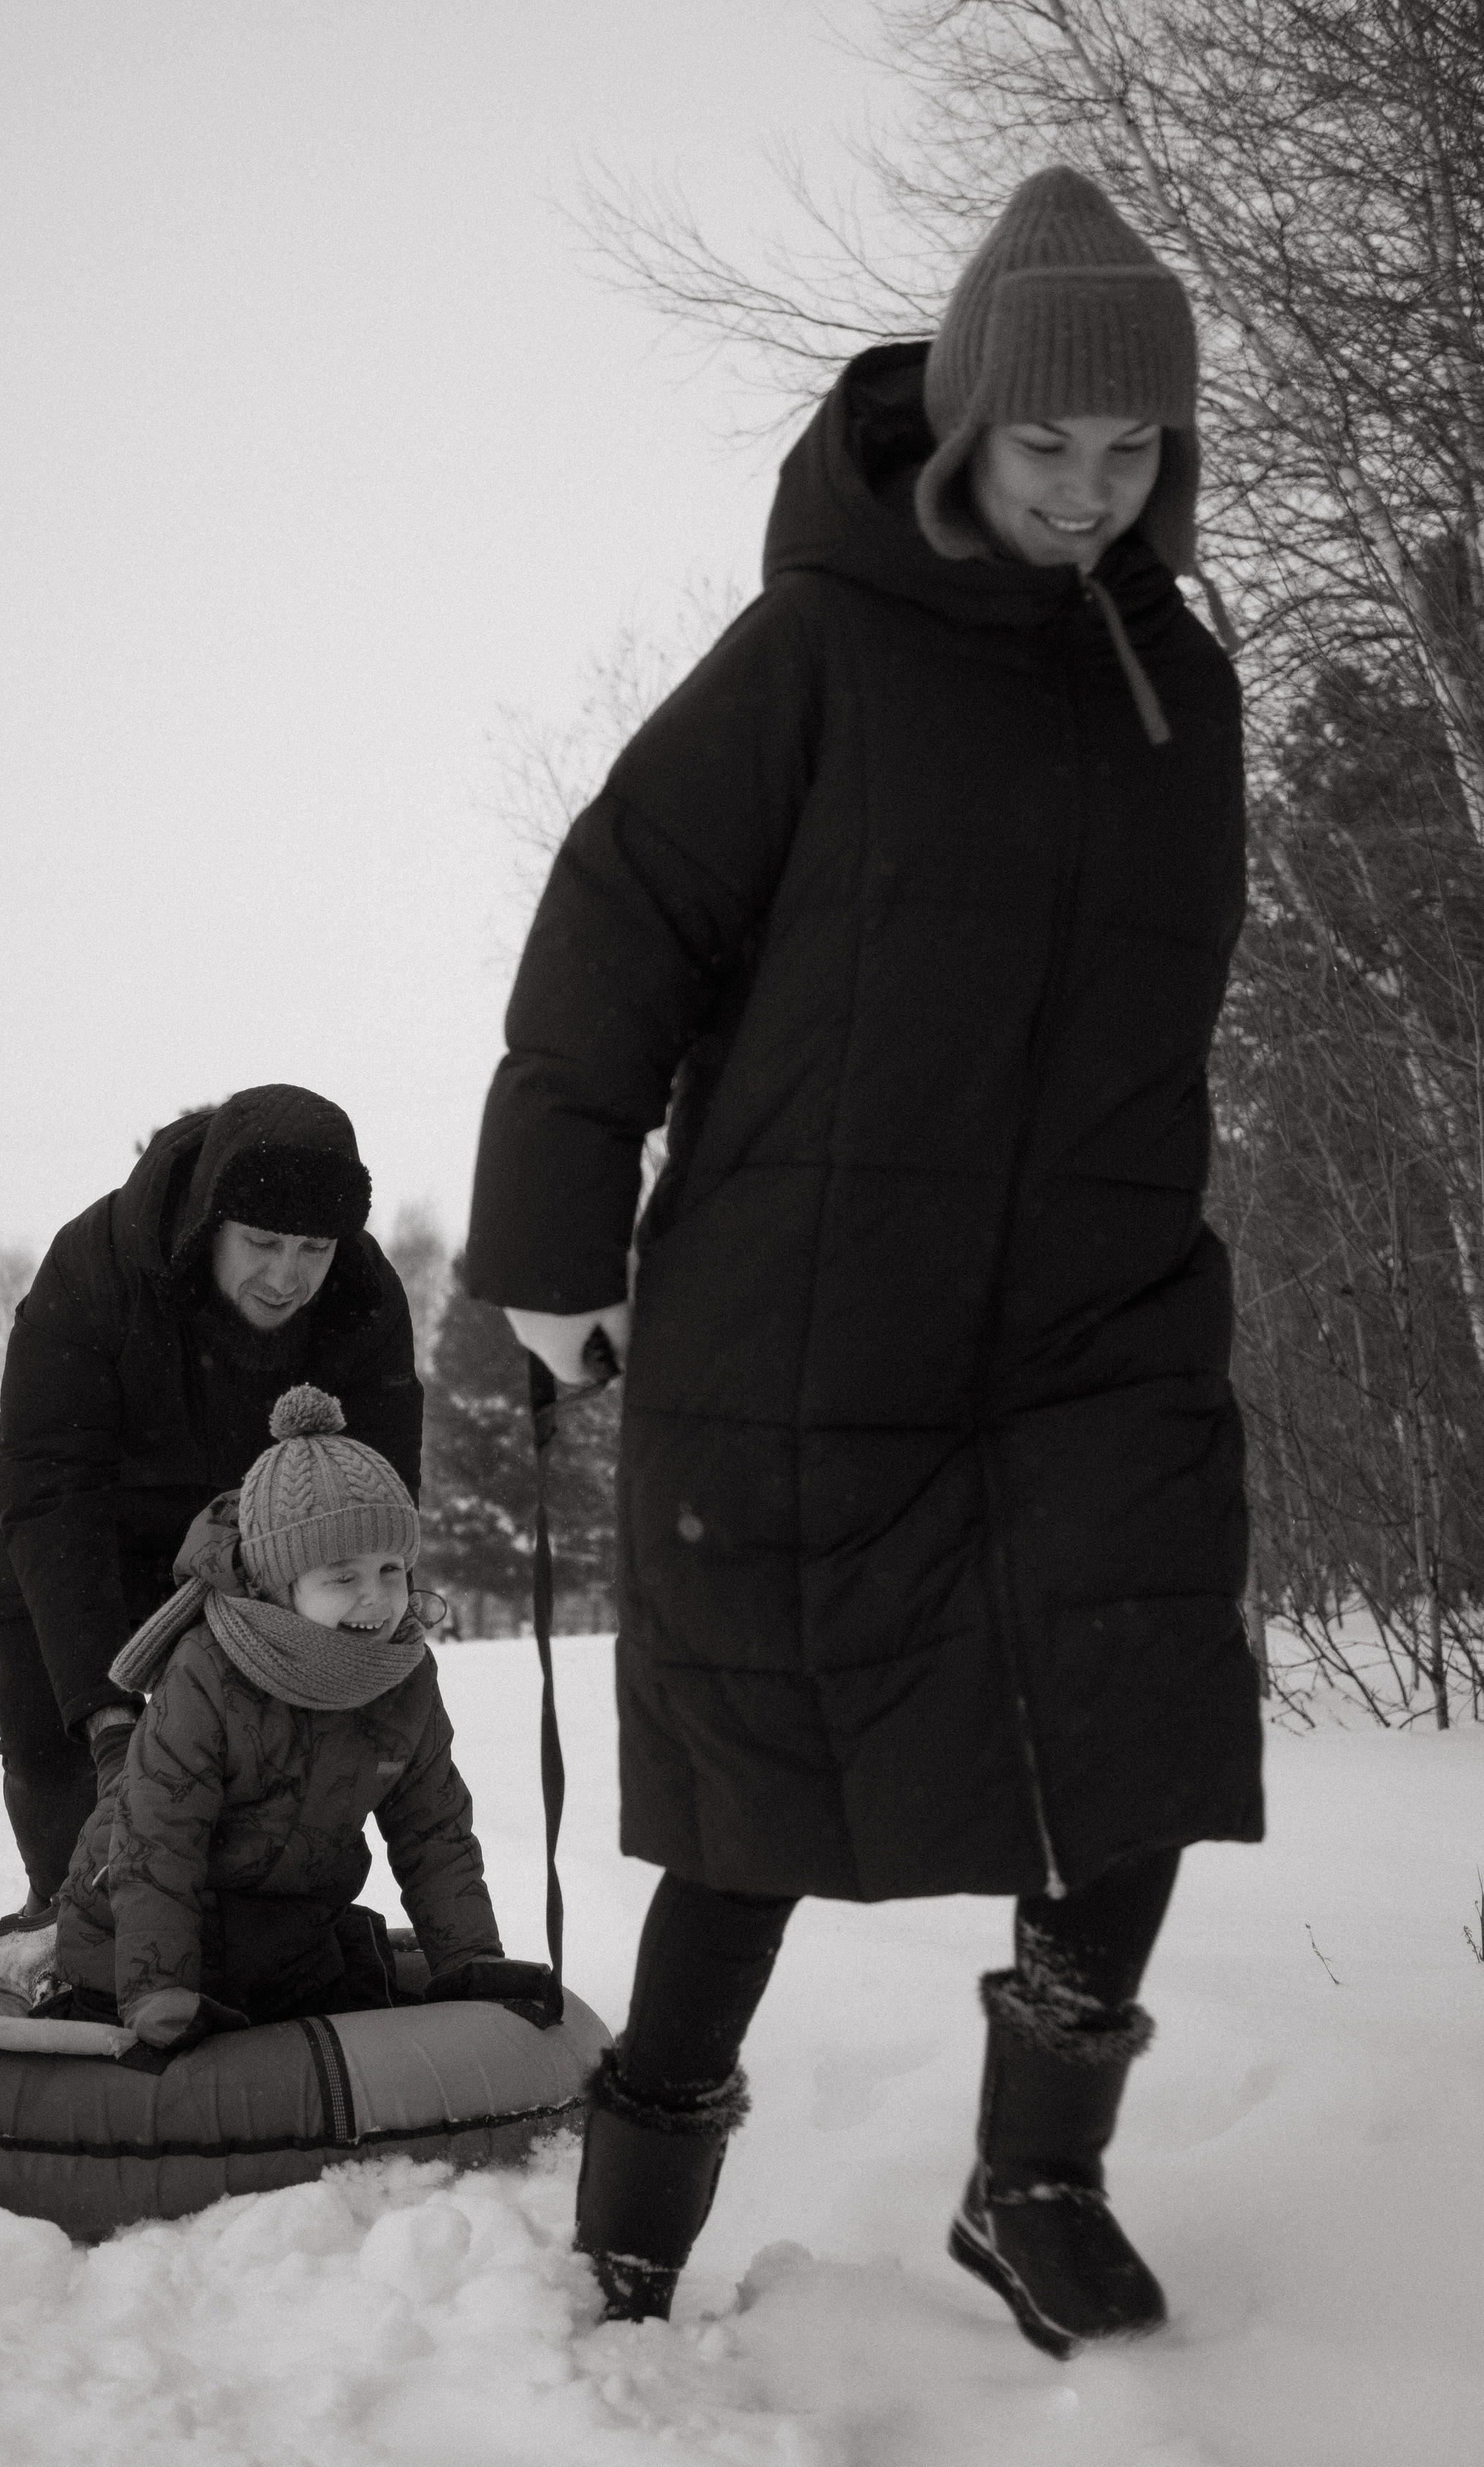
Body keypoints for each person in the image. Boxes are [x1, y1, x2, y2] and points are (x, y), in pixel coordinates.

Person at [466, 166, 1264, 2356]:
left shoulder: (1177, 685)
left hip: (1095, 1311)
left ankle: (1035, 2175)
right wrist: (548, 1232)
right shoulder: (818, 649)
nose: (1085, 489)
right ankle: (638, 2199)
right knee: (764, 1766)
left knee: (1130, 1707)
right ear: (964, 428)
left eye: (1130, 450)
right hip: (811, 1305)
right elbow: (621, 909)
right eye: (1044, 442)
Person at [0, 1085, 421, 1909]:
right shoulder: (95, 1268)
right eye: (262, 1241)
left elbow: (376, 1497)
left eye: (315, 1248)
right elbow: (49, 1486)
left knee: (256, 1766)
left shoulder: (364, 1301)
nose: (287, 1276)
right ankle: (67, 1919)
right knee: (64, 1776)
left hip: (244, 1550)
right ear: (212, 1220)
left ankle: (240, 1938)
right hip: (71, 1529)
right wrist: (105, 1715)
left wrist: (378, 1633)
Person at [53, 1385, 539, 2040]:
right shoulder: (208, 1669)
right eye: (342, 1575)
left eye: (391, 1568)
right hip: (132, 1930)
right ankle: (22, 1957)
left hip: (287, 1932)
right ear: (278, 1586)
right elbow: (158, 1841)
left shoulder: (404, 1677)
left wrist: (470, 1958)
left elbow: (436, 1832)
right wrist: (158, 1989)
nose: (377, 1597)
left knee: (345, 1984)